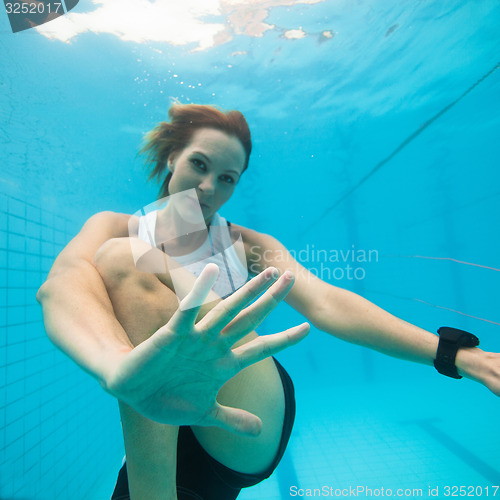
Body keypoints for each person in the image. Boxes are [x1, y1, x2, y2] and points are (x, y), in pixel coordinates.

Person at [37, 104, 500, 500]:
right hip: (161, 426)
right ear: (173, 156)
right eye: (199, 164)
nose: (208, 187)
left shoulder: (246, 245)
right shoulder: (116, 225)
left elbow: (327, 303)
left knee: (123, 260)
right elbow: (62, 284)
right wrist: (115, 363)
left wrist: (457, 354)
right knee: (120, 255)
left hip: (244, 410)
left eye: (227, 178)